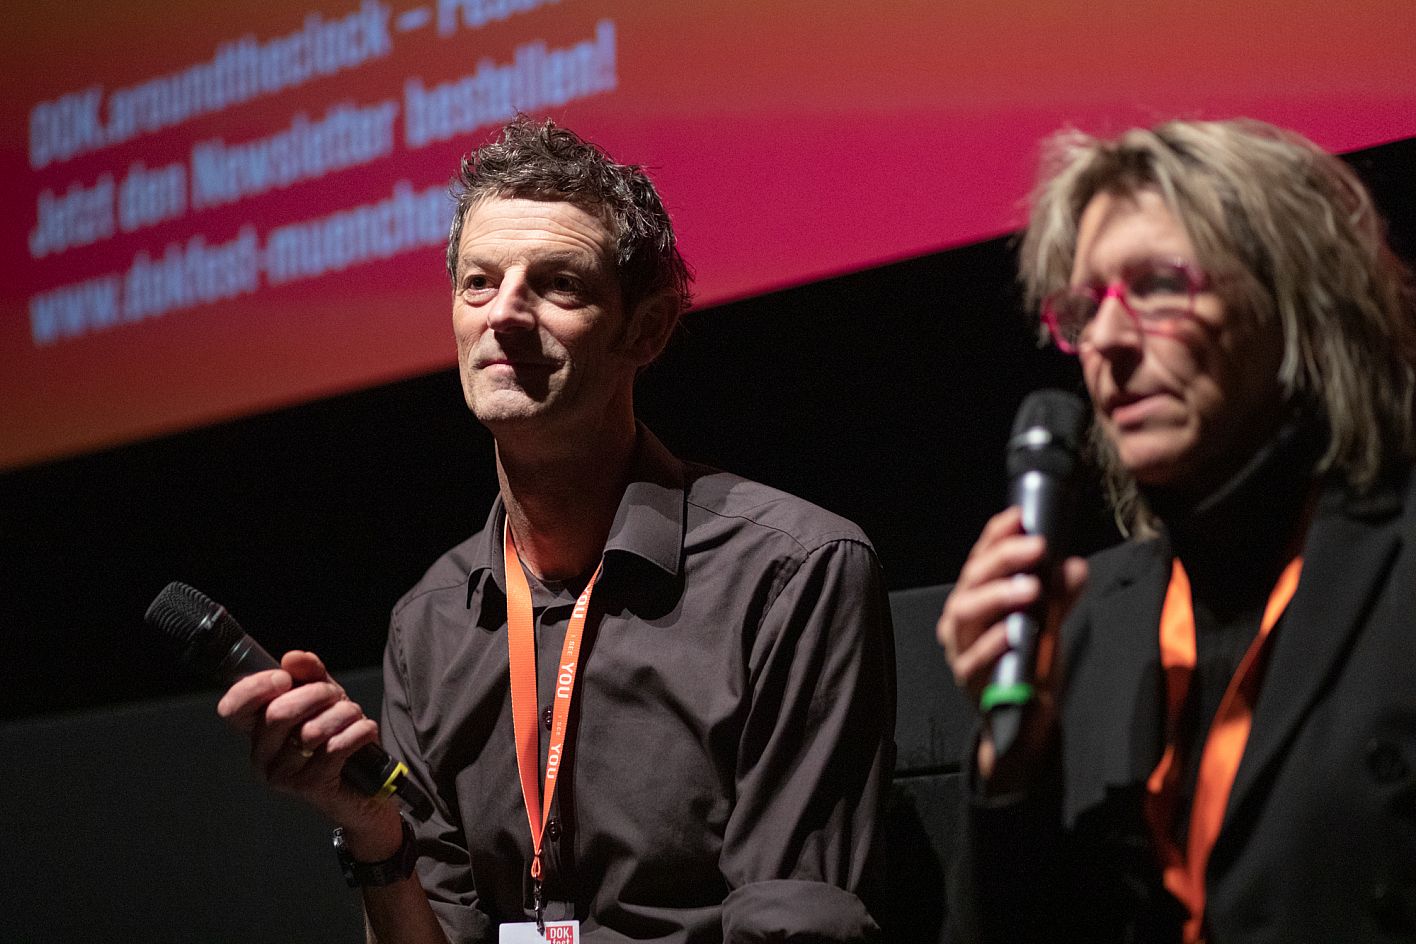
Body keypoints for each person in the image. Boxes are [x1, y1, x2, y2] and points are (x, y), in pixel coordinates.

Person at [217, 116, 895, 943]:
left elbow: (795, 925)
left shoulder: (791, 573)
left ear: (645, 330)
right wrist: (373, 833)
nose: (504, 314)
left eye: (558, 285)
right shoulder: (429, 623)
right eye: (478, 283)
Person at [938, 118, 1416, 943]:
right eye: (1085, 307)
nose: (1108, 340)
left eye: (1159, 286)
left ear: (1296, 304)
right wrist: (1010, 771)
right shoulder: (1080, 623)